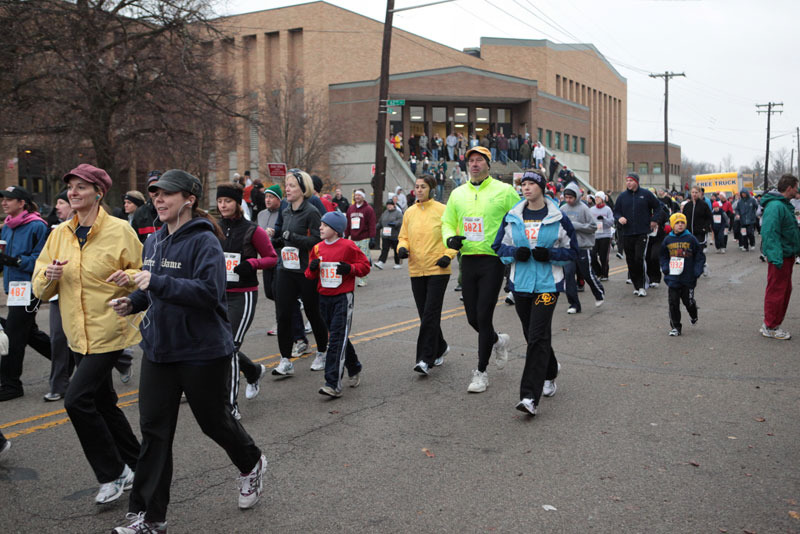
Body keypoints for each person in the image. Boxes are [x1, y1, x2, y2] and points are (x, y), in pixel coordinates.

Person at [108, 169, 266, 534]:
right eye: (155, 195)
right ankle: (150, 516)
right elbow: (152, 290)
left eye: (167, 194)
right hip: (160, 350)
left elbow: (209, 294)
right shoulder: (154, 241)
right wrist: (132, 302)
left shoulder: (205, 240)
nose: (158, 200)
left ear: (189, 199)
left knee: (214, 423)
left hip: (202, 351)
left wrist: (155, 281)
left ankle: (252, 462)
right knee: (154, 432)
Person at [32, 164, 142, 504]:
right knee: (104, 402)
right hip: (77, 333)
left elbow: (140, 271)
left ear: (99, 192)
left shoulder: (120, 230)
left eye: (82, 187)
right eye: (71, 187)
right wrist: (49, 275)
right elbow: (40, 288)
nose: (73, 193)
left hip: (110, 328)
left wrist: (129, 279)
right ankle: (142, 464)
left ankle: (113, 473)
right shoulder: (59, 234)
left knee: (77, 399)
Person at [492, 170, 578, 415]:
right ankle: (550, 371)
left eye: (531, 183)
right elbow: (499, 246)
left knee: (538, 336)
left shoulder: (558, 217)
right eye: (523, 184)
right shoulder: (513, 216)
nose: (526, 188)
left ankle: (529, 397)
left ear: (542, 187)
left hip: (548, 286)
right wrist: (513, 254)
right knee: (533, 336)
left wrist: (550, 254)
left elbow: (572, 250)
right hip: (520, 285)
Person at [441, 146, 519, 393]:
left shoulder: (504, 191)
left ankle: (481, 372)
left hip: (493, 260)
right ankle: (497, 340)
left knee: (484, 316)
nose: (474, 164)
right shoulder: (457, 194)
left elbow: (519, 217)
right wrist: (450, 240)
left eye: (479, 160)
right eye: (471, 161)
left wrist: (511, 247)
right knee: (473, 318)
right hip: (468, 260)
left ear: (488, 164)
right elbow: (447, 223)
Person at [216, 182, 277, 419]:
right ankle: (252, 371)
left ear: (238, 203)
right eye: (220, 201)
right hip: (218, 293)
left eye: (228, 201)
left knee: (229, 348)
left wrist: (251, 263)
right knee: (219, 344)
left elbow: (271, 258)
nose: (223, 205)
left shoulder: (253, 230)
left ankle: (230, 405)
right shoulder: (214, 227)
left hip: (243, 294)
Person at [305, 211, 369, 397]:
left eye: (324, 225)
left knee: (335, 342)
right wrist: (313, 268)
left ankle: (332, 383)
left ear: (336, 229)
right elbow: (309, 275)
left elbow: (365, 267)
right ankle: (354, 366)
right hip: (323, 298)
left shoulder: (348, 246)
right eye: (321, 225)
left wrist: (350, 269)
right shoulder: (317, 248)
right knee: (338, 337)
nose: (320, 228)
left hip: (342, 298)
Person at [271, 170, 329, 376]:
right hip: (285, 268)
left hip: (306, 270)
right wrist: (276, 240)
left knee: (313, 312)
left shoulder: (312, 211)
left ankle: (322, 351)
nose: (287, 189)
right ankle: (285, 359)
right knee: (283, 315)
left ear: (304, 189)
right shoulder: (285, 210)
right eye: (286, 185)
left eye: (292, 186)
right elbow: (283, 236)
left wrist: (292, 237)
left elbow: (317, 240)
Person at [397, 175, 456, 375]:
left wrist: (448, 255)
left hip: (438, 269)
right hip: (416, 269)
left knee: (430, 313)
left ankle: (424, 359)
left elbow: (453, 235)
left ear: (431, 188)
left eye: (423, 187)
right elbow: (403, 236)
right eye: (417, 187)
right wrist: (402, 248)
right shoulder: (409, 212)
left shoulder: (442, 210)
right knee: (425, 315)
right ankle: (440, 346)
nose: (419, 190)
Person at [0, 185, 51, 401]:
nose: (4, 203)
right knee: (28, 332)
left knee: (14, 335)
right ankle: (67, 359)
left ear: (22, 203)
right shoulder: (7, 226)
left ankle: (11, 385)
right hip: (13, 289)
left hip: (31, 287)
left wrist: (16, 261)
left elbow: (42, 260)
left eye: (9, 199)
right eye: (3, 199)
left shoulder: (37, 226)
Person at [759, 174, 800, 340]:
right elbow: (769, 232)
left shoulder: (782, 205)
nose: (797, 191)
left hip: (785, 255)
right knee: (778, 291)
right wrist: (776, 256)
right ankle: (770, 326)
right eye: (796, 187)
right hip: (781, 256)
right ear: (789, 188)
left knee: (783, 290)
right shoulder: (776, 206)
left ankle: (772, 324)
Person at [44, 191, 75, 402]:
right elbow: (41, 264)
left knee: (85, 341)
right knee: (58, 338)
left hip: (84, 295)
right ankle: (58, 385)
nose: (57, 207)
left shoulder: (105, 229)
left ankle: (122, 358)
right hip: (58, 294)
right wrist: (47, 274)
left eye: (61, 202)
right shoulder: (55, 231)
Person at [613, 172, 662, 297]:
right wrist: (619, 218)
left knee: (639, 258)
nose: (628, 183)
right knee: (630, 260)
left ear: (636, 182)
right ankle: (636, 285)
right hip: (627, 232)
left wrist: (654, 220)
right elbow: (616, 211)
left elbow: (658, 208)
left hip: (642, 232)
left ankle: (642, 286)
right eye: (627, 181)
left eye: (631, 180)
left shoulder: (646, 194)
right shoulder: (622, 196)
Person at [559, 182, 605, 313]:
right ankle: (574, 304)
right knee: (568, 275)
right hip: (568, 247)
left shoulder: (584, 209)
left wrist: (577, 225)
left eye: (571, 197)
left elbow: (593, 227)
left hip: (583, 246)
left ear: (577, 196)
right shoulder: (562, 209)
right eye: (566, 197)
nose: (568, 200)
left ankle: (599, 293)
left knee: (586, 273)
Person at [659, 213, 704, 336]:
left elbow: (699, 256)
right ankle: (676, 327)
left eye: (682, 223)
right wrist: (665, 267)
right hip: (673, 277)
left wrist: (697, 271)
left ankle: (693, 314)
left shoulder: (691, 239)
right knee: (673, 302)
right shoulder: (668, 239)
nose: (680, 225)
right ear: (673, 225)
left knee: (688, 301)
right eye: (677, 223)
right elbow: (663, 256)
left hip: (688, 277)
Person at [345, 189, 376, 287]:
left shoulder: (368, 209)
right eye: (356, 195)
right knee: (353, 259)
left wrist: (372, 238)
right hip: (354, 238)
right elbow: (348, 224)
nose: (357, 197)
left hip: (364, 238)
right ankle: (354, 277)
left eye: (359, 195)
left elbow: (372, 224)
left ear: (363, 197)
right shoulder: (351, 209)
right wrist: (346, 235)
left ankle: (363, 279)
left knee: (364, 259)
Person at [682, 185, 712, 276]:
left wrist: (705, 228)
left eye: (696, 192)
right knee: (688, 252)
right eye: (693, 192)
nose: (694, 194)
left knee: (699, 251)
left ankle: (703, 264)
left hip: (700, 233)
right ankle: (691, 269)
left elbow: (709, 218)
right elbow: (684, 219)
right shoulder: (687, 206)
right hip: (688, 233)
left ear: (700, 193)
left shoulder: (704, 205)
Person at [131, 170, 164, 243]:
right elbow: (134, 242)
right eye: (152, 188)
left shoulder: (174, 211)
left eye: (158, 187)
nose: (155, 192)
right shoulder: (140, 213)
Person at [590, 191, 614, 280]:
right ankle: (598, 272)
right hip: (594, 235)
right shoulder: (591, 209)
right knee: (592, 255)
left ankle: (605, 274)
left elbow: (611, 222)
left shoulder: (607, 209)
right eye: (595, 197)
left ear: (602, 199)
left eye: (598, 197)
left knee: (603, 256)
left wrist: (604, 219)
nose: (596, 199)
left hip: (605, 235)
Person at [375, 199, 403, 270]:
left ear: (394, 205)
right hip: (386, 235)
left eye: (391, 205)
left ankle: (398, 263)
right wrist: (375, 227)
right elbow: (380, 222)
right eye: (388, 205)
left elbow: (400, 222)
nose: (389, 206)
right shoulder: (385, 213)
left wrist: (394, 224)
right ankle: (381, 262)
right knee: (384, 249)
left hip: (395, 235)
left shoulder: (398, 213)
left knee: (396, 250)